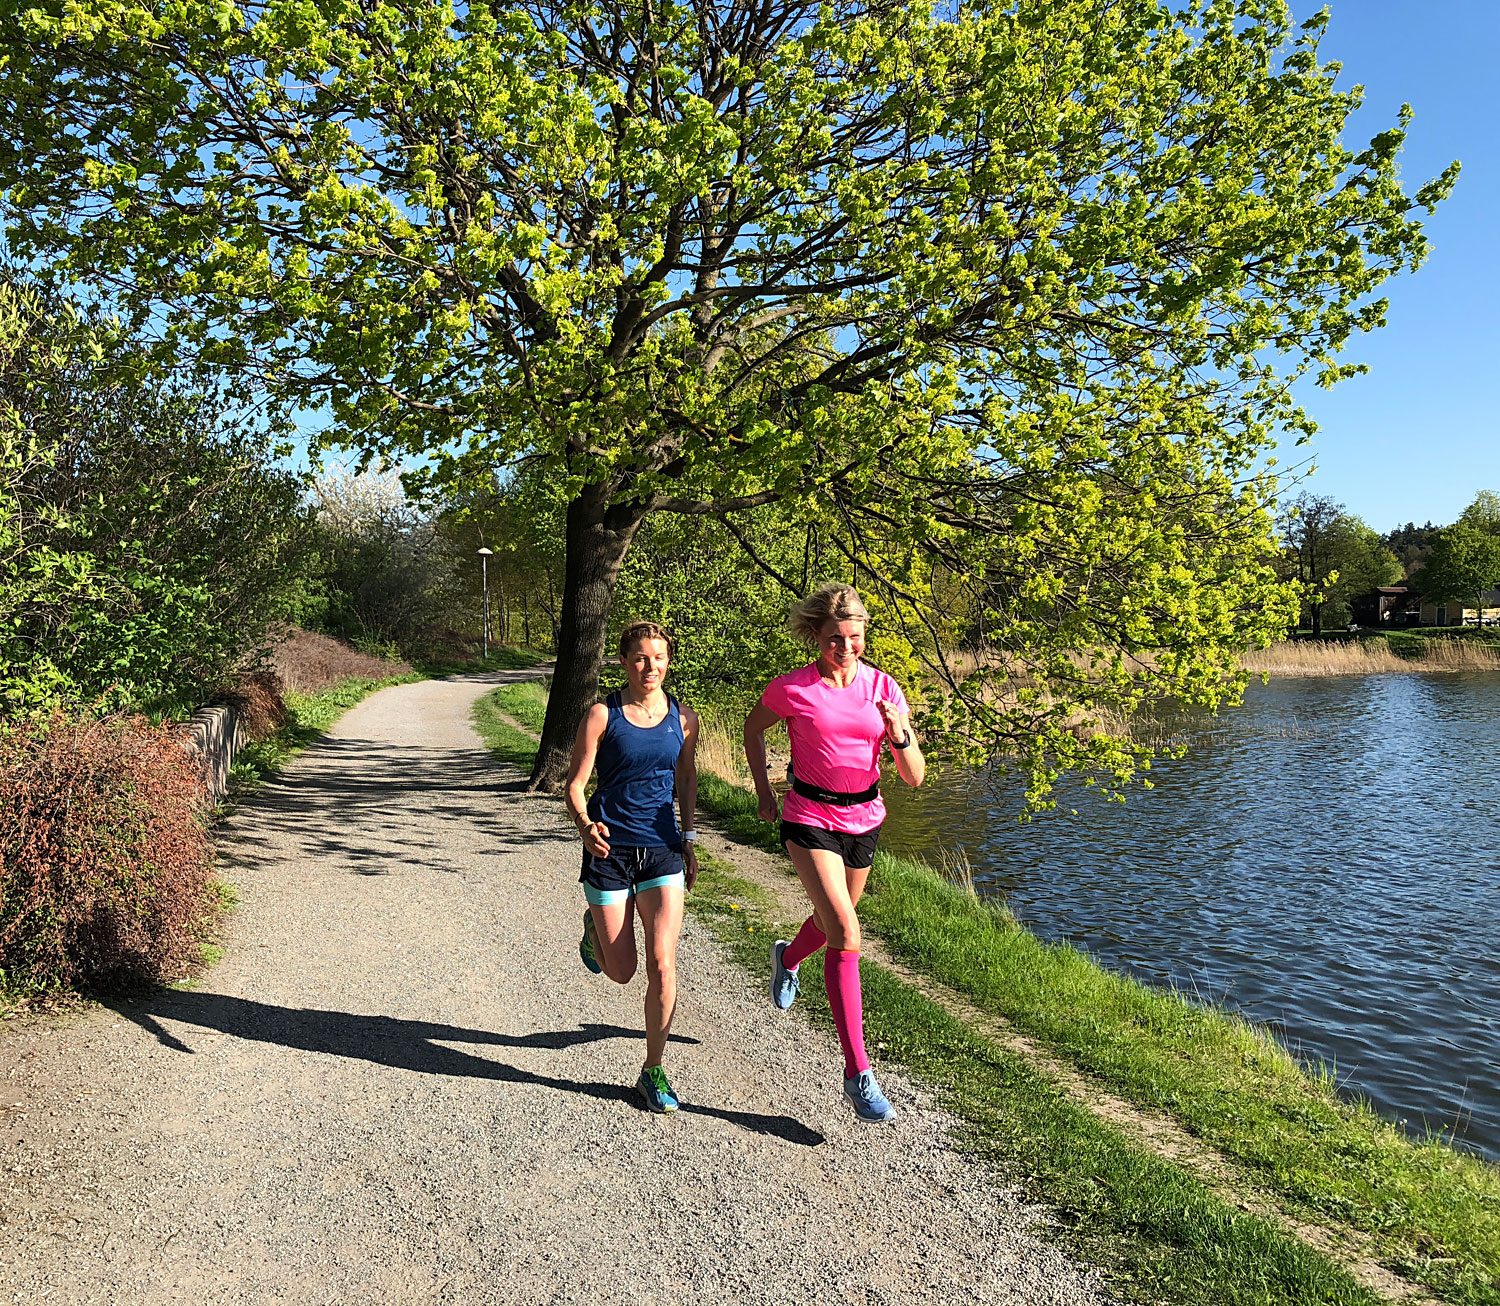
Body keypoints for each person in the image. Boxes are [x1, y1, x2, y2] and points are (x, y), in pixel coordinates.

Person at [743, 583, 925, 1124]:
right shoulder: (793, 688)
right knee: (846, 930)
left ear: (864, 634)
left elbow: (914, 777)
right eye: (833, 639)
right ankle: (858, 1073)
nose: (845, 648)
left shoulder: (884, 688)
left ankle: (787, 958)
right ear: (815, 637)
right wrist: (764, 791)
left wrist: (899, 734)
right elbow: (752, 731)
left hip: (864, 819)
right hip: (809, 818)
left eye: (854, 637)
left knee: (829, 923)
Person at [564, 621, 700, 1113]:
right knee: (623, 972)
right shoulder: (603, 715)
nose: (650, 667)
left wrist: (689, 838)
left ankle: (652, 1069)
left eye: (659, 657)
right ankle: (594, 931)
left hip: (662, 849)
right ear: (624, 661)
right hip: (609, 850)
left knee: (663, 964)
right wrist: (585, 825)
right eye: (640, 657)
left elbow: (686, 777)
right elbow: (575, 784)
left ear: (668, 662)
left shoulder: (685, 718)